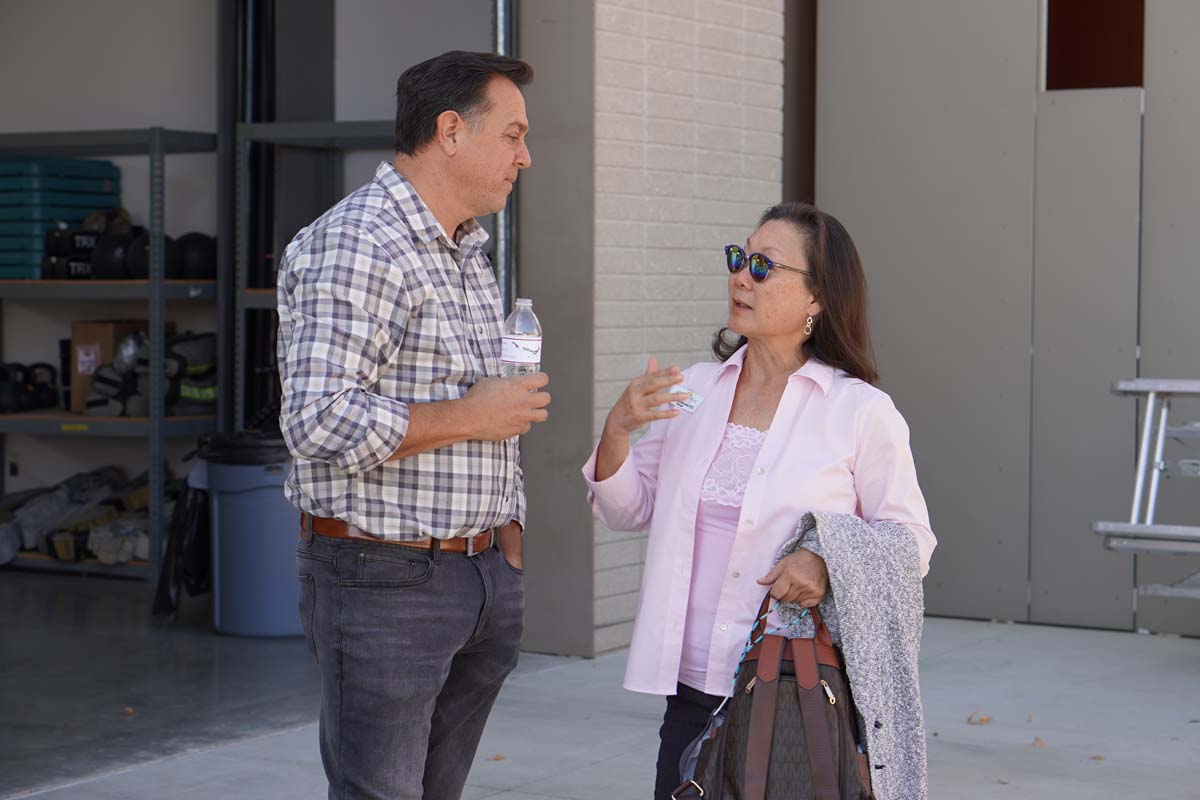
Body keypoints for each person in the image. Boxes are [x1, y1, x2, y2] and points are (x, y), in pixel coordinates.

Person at [582, 202, 937, 799]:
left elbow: (912, 542)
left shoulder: (860, 412)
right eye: (739, 259)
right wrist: (617, 429)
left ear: (817, 297)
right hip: (692, 687)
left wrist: (825, 560)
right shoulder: (694, 390)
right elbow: (628, 509)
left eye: (764, 266)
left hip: (793, 684)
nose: (741, 277)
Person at [277, 50, 547, 800]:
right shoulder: (360, 243)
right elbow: (317, 419)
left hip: (477, 574)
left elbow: (489, 409)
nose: (525, 157)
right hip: (385, 582)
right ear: (451, 131)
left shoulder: (465, 249)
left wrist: (505, 545)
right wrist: (472, 416)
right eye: (513, 135)